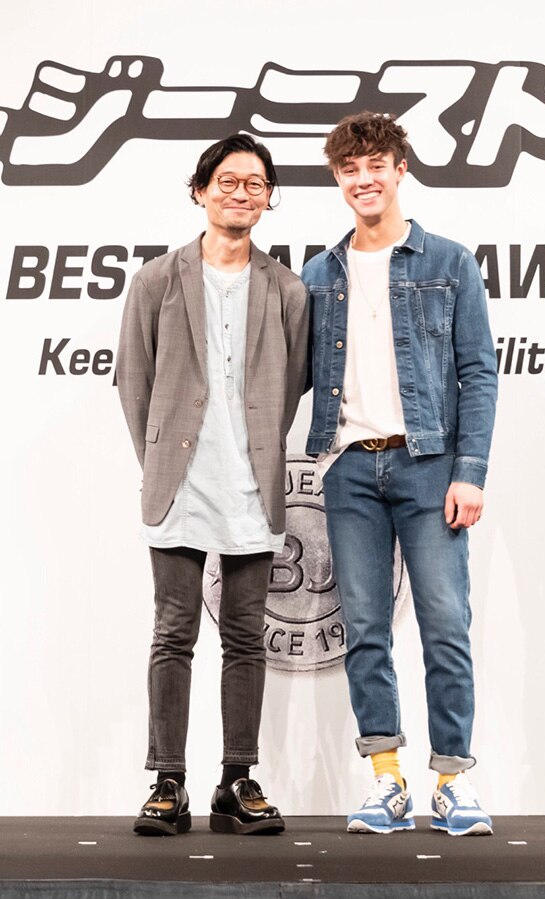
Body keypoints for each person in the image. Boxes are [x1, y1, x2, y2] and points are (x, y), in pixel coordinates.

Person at [301, 112, 498, 837]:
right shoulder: (318, 274)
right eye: (350, 169)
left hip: (429, 466)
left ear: (399, 169)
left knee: (445, 624)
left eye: (375, 165)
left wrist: (469, 471)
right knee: (365, 630)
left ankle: (452, 780)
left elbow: (479, 372)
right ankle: (386, 779)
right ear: (338, 178)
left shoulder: (449, 262)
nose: (364, 179)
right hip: (350, 469)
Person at [117, 134, 309, 836]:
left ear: (268, 199)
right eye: (227, 181)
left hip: (253, 487)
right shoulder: (156, 281)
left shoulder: (287, 289)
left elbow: (293, 383)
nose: (241, 193)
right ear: (200, 191)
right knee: (173, 632)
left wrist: (254, 450)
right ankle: (168, 781)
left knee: (245, 637)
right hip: (179, 486)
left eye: (255, 184)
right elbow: (133, 381)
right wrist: (161, 460)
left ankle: (237, 780)